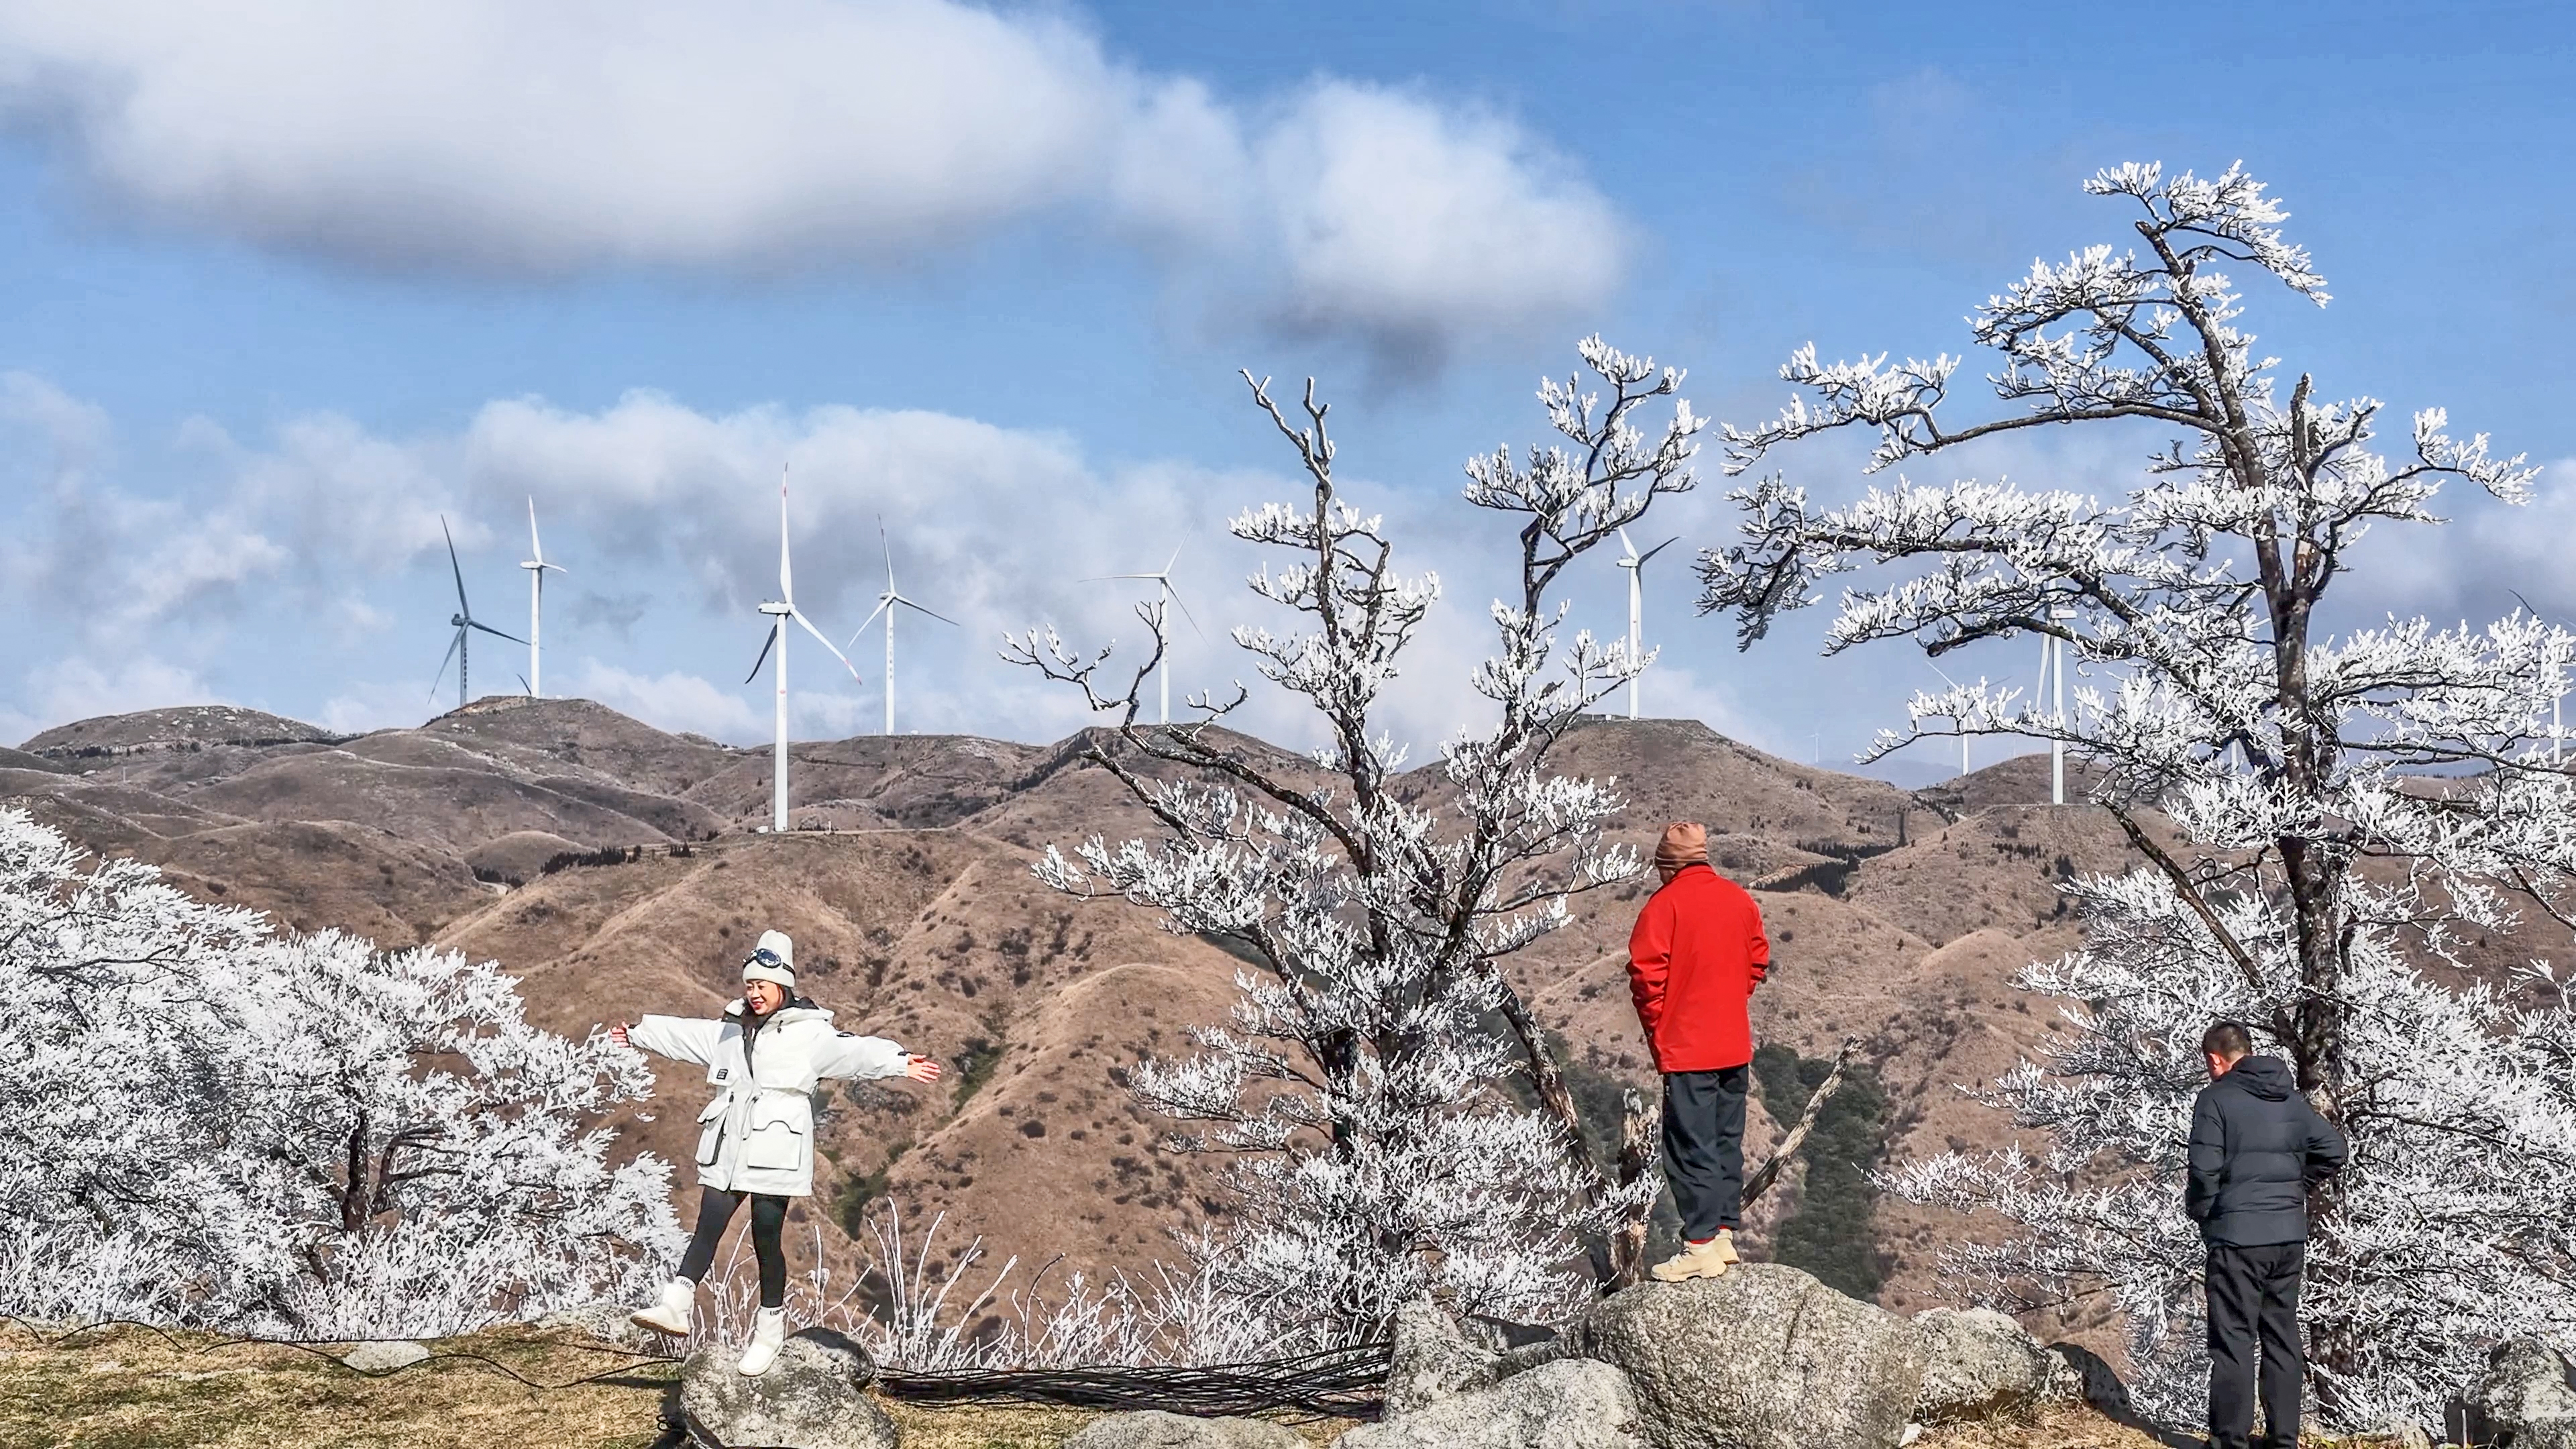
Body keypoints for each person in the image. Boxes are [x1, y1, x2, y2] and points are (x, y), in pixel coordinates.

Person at [609, 928, 941, 1375]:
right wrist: (640, 1034)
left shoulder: (811, 1035)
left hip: (774, 1151)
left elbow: (855, 1052)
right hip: (729, 1144)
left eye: (761, 985)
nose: (754, 993)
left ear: (782, 985)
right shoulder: (731, 1030)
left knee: (765, 1240)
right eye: (749, 985)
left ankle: (768, 1332)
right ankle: (677, 1303)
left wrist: (900, 1061)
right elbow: (686, 1036)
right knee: (708, 1225)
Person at [2186, 1020, 2347, 1449]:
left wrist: (2205, 1213)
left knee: (2234, 1338)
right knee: (2282, 1334)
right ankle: (2283, 1440)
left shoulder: (2215, 1100)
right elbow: (2334, 1150)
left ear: (2215, 1060)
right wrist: (2296, 1188)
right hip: (2287, 1238)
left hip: (2237, 1237)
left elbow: (2204, 1173)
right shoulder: (2290, 1101)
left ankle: (2230, 1440)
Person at [1626, 820, 1770, 1282]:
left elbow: (1646, 979)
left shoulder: (1663, 906)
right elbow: (1757, 960)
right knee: (1727, 1139)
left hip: (1688, 1047)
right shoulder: (1739, 900)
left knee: (1689, 1146)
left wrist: (1660, 1027)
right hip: (1733, 1043)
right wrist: (1729, 998)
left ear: (1667, 865)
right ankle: (1724, 1234)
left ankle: (1700, 1244)